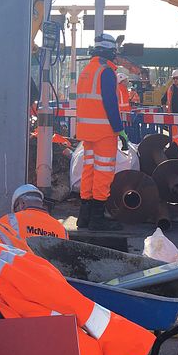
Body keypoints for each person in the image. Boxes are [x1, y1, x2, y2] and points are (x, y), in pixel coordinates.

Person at [75, 34, 125, 231]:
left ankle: (84, 216)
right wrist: (119, 130)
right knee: (104, 172)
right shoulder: (106, 72)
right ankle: (97, 218)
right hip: (103, 131)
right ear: (110, 51)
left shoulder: (87, 70)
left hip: (87, 131)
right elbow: (110, 104)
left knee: (89, 170)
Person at [0, 184, 68, 241]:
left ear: (22, 203)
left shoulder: (8, 221)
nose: (16, 213)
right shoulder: (61, 229)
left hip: (22, 258)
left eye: (16, 209)